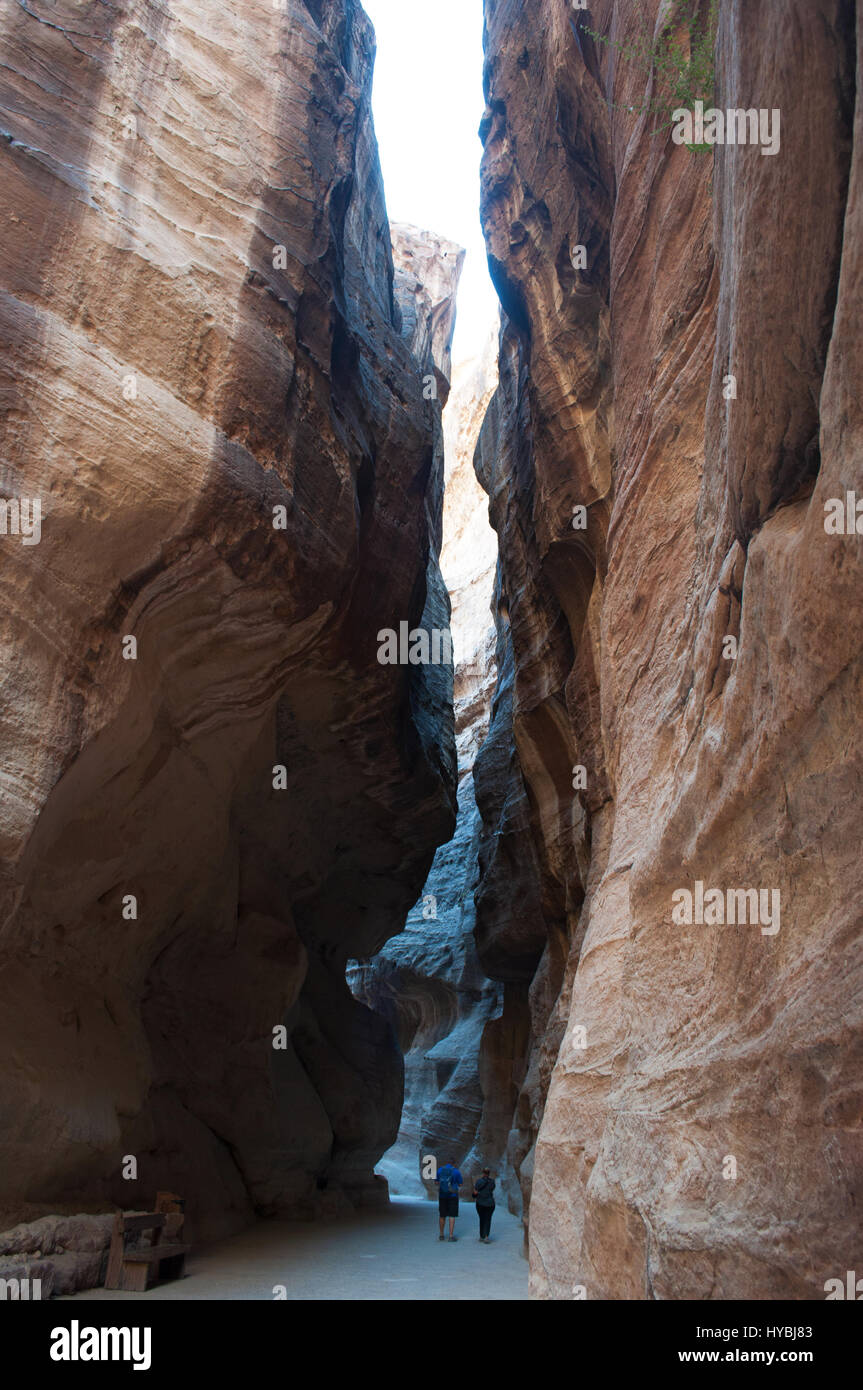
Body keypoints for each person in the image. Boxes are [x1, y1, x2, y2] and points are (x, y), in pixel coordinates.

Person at [435, 1159, 463, 1241]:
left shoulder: (440, 1170)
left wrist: (443, 1185)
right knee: (452, 1215)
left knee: (442, 1215)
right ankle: (451, 1236)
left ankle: (441, 1234)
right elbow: (460, 1184)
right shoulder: (456, 1172)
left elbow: (436, 1182)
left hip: (442, 1195)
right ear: (454, 1163)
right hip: (453, 1196)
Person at [472, 1167, 495, 1242]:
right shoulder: (492, 1182)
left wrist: (475, 1195)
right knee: (488, 1219)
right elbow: (492, 1189)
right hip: (490, 1204)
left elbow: (475, 1193)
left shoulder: (479, 1181)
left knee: (482, 1219)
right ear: (489, 1173)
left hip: (480, 1203)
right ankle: (486, 1237)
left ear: (483, 1173)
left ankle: (481, 1236)